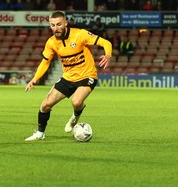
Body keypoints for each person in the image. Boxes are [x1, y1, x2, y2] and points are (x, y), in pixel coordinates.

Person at [24, 11, 112, 141]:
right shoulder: (51, 42)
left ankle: (75, 116)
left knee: (76, 101)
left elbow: (106, 43)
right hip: (68, 77)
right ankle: (40, 133)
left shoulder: (80, 34)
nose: (56, 28)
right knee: (45, 105)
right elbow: (45, 62)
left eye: (59, 24)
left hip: (87, 75)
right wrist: (35, 78)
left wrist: (108, 55)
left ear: (65, 23)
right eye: (52, 25)